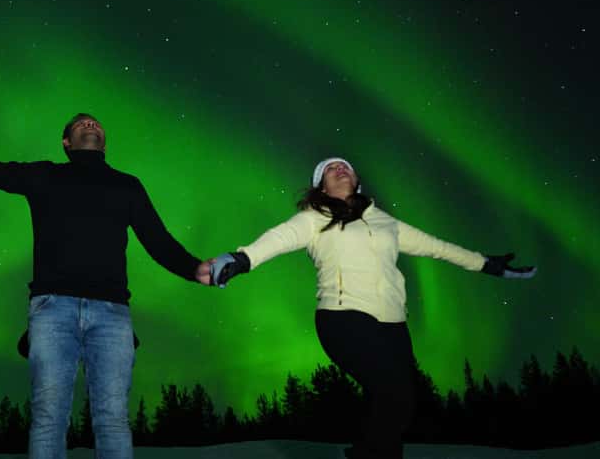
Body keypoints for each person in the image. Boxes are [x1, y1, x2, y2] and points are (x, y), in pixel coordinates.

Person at [0, 113, 213, 459]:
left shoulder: (127, 186)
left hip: (111, 314)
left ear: (104, 142)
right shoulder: (44, 175)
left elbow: (158, 240)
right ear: (66, 142)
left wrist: (194, 269)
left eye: (95, 123)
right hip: (53, 309)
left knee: (113, 419)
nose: (90, 124)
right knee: (49, 417)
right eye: (80, 123)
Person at [209, 157, 536, 459]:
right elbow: (278, 237)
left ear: (357, 180)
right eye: (331, 168)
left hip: (394, 324)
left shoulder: (385, 222)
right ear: (321, 187)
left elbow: (437, 247)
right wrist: (242, 259)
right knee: (392, 393)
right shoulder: (313, 219)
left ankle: (366, 452)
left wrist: (486, 264)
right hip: (343, 317)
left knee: (400, 403)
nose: (340, 168)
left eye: (345, 166)